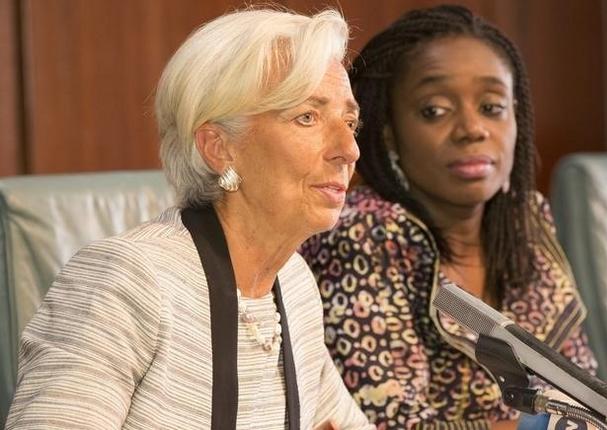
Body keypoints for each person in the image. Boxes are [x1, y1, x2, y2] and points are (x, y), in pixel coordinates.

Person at [300, 5, 607, 430]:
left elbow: (569, 392)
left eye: (492, 107)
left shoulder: (524, 225)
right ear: (387, 132)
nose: (473, 129)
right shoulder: (361, 234)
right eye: (435, 110)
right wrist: (583, 421)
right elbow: (387, 424)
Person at [6, 7, 373, 430]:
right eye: (306, 117)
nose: (348, 149)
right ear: (218, 147)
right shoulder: (127, 279)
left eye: (349, 121)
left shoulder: (292, 282)